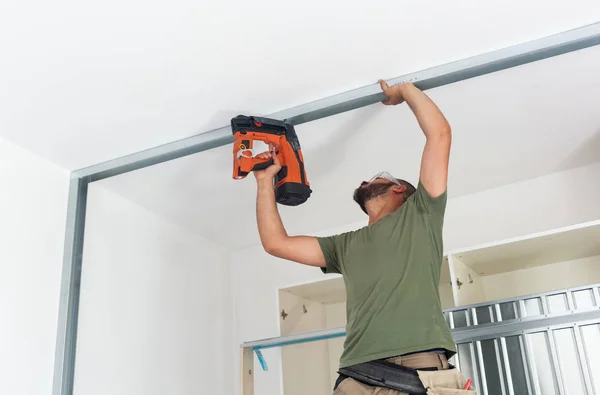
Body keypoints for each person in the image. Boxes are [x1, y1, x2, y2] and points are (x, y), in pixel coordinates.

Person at [253, 81, 466, 394]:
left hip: (416, 367)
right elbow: (276, 243)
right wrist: (264, 181)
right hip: (358, 374)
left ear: (399, 189)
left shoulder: (422, 214)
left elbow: (440, 134)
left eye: (377, 176)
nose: (366, 179)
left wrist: (405, 90)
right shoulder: (343, 245)